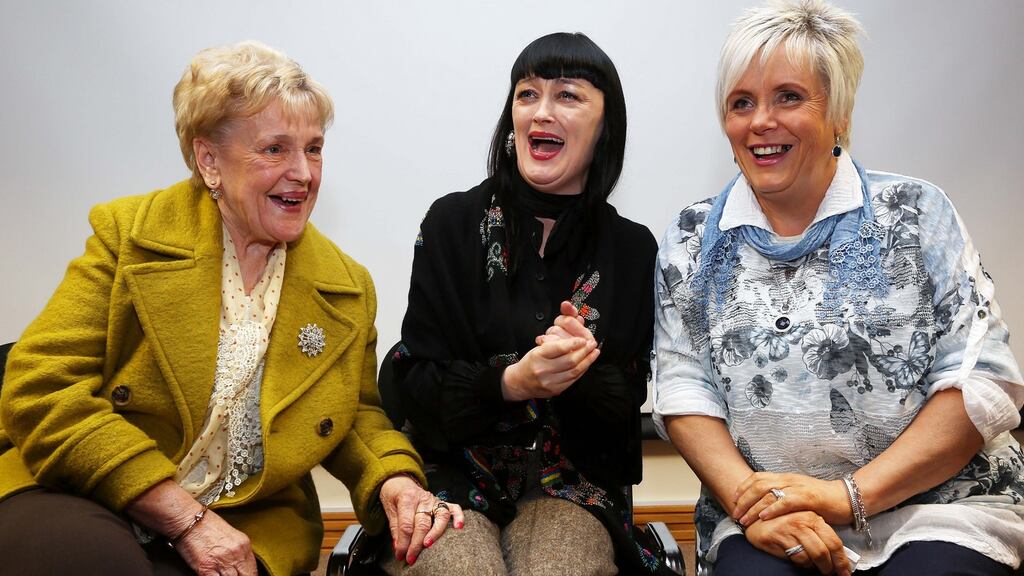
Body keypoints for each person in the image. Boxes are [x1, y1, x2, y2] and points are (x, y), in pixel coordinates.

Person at [0, 41, 461, 576]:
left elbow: (352, 415)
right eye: (275, 149)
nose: (304, 173)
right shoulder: (128, 237)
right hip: (86, 489)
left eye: (314, 149)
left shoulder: (346, 286)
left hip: (244, 520)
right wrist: (183, 517)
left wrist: (394, 479)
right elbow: (40, 387)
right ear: (209, 160)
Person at [653, 1, 1024, 574]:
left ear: (840, 114)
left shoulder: (916, 213)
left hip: (941, 509)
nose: (760, 122)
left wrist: (845, 497)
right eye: (741, 103)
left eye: (789, 97)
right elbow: (684, 388)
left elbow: (982, 382)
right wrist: (753, 506)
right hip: (767, 517)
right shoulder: (691, 236)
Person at [388, 32, 673, 575]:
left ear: (605, 126)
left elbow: (624, 419)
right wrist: (509, 383)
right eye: (527, 94)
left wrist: (578, 371)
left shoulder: (633, 249)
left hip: (575, 490)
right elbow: (413, 384)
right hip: (450, 481)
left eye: (568, 95)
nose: (541, 112)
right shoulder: (450, 224)